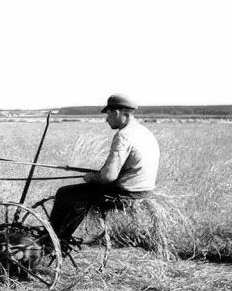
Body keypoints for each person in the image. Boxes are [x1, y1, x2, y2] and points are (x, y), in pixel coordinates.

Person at [49, 94, 160, 248]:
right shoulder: (144, 132)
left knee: (65, 193)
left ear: (117, 113)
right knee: (79, 195)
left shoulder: (124, 136)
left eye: (108, 114)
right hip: (144, 190)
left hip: (125, 193)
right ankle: (62, 236)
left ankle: (52, 240)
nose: (107, 119)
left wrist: (91, 177)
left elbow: (108, 176)